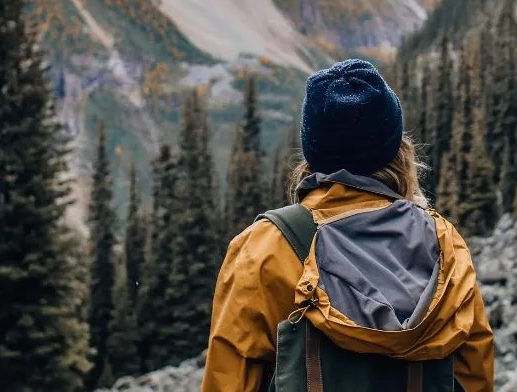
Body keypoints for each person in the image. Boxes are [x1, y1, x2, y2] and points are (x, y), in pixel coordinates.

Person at [202, 59, 495, 391]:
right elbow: (474, 379)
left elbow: (230, 382)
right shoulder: (446, 247)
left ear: (311, 154)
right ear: (398, 152)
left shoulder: (263, 249)